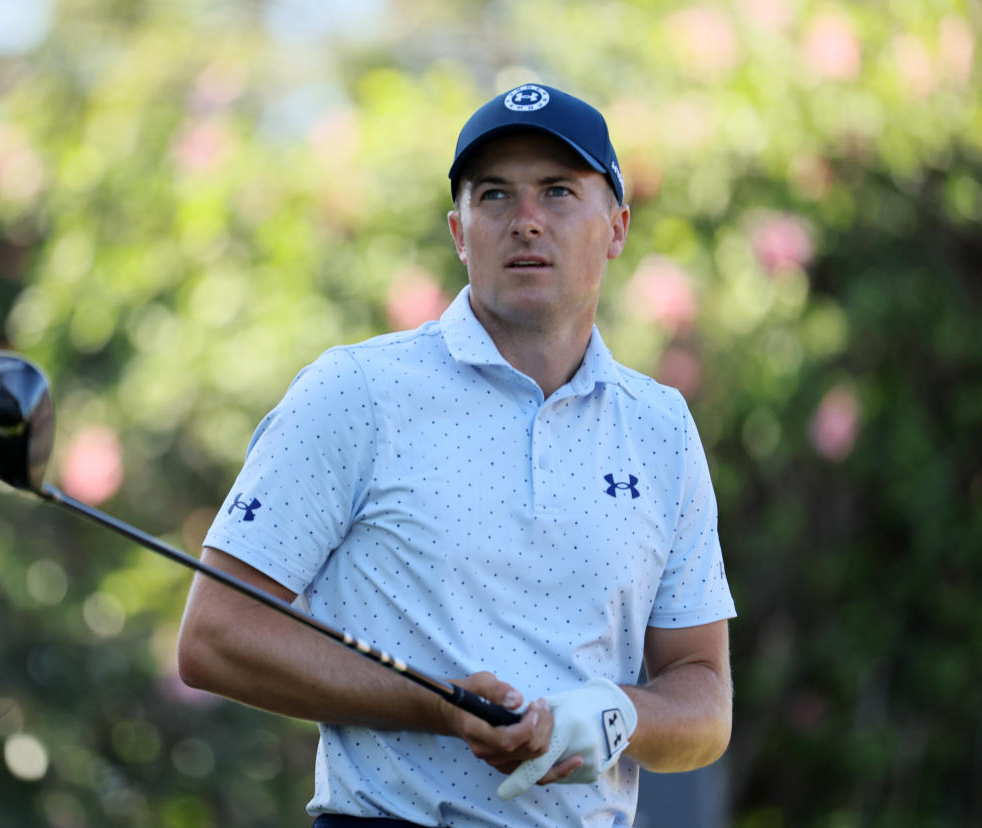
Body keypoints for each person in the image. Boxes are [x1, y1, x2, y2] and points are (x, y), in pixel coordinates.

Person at [177, 82, 736, 827]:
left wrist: (615, 715)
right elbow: (216, 636)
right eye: (496, 195)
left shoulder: (660, 428)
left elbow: (703, 696)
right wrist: (440, 705)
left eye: (559, 192)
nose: (526, 221)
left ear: (617, 226)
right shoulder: (357, 392)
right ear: (459, 230)